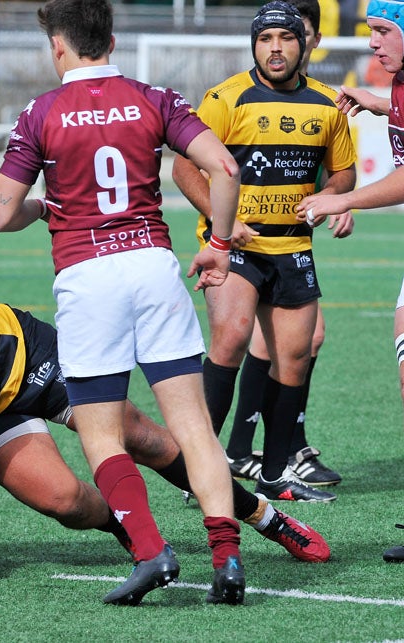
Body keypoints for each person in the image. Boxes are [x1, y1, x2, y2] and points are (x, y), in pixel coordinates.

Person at [0, 269, 330, 603]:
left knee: (143, 440)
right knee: (65, 501)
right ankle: (141, 542)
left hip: (27, 360)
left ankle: (266, 517)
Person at [0, 0, 247, 606]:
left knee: (102, 435)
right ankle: (227, 559)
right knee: (195, 428)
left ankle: (152, 551)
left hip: (88, 276)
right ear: (109, 37)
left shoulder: (41, 112)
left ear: (59, 45)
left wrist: (44, 208)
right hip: (154, 266)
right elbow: (224, 166)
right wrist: (220, 244)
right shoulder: (154, 96)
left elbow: (1, 216)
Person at [172, 1, 356, 504]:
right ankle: (201, 473)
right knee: (230, 339)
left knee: (294, 359)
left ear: (304, 44)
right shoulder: (226, 98)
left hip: (294, 247)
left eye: (285, 38)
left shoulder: (324, 105)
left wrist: (334, 198)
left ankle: (275, 475)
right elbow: (185, 169)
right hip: (233, 248)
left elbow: (343, 172)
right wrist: (226, 225)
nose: (275, 48)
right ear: (254, 45)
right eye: (264, 39)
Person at [294, 0, 404, 560]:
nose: (373, 44)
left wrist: (341, 196)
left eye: (384, 31)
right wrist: (378, 101)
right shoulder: (401, 89)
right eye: (370, 31)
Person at [226, 0, 350, 488]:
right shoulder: (243, 95)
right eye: (274, 36)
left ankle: (269, 451)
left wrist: (339, 201)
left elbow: (329, 166)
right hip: (253, 240)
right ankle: (248, 451)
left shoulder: (323, 100)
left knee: (297, 342)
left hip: (294, 237)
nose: (295, 44)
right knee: (260, 339)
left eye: (300, 35)